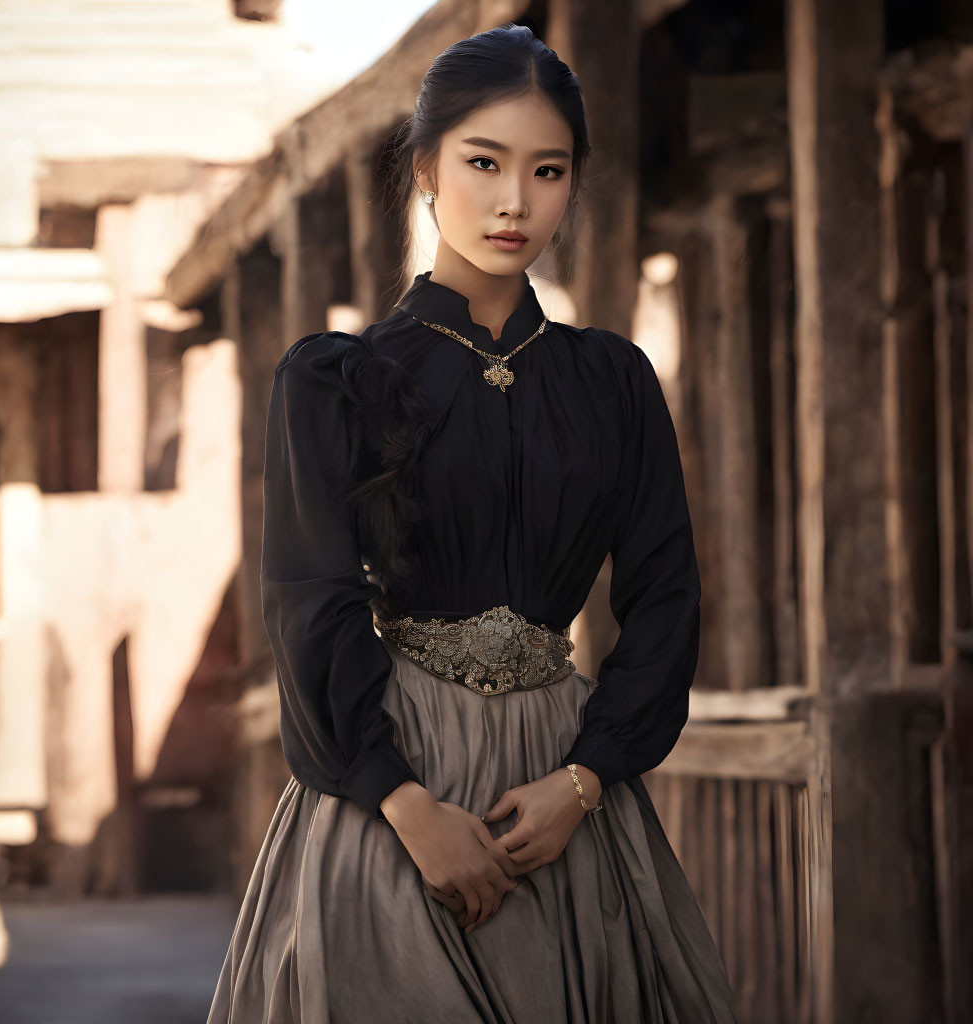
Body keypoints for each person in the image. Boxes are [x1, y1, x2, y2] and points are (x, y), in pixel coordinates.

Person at [207, 22, 737, 1024]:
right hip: (389, 789)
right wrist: (405, 806)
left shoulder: (611, 382)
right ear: (424, 169)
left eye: (547, 170)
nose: (513, 201)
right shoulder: (337, 380)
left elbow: (665, 597)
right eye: (483, 162)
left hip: (567, 783)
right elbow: (310, 604)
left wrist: (583, 779)